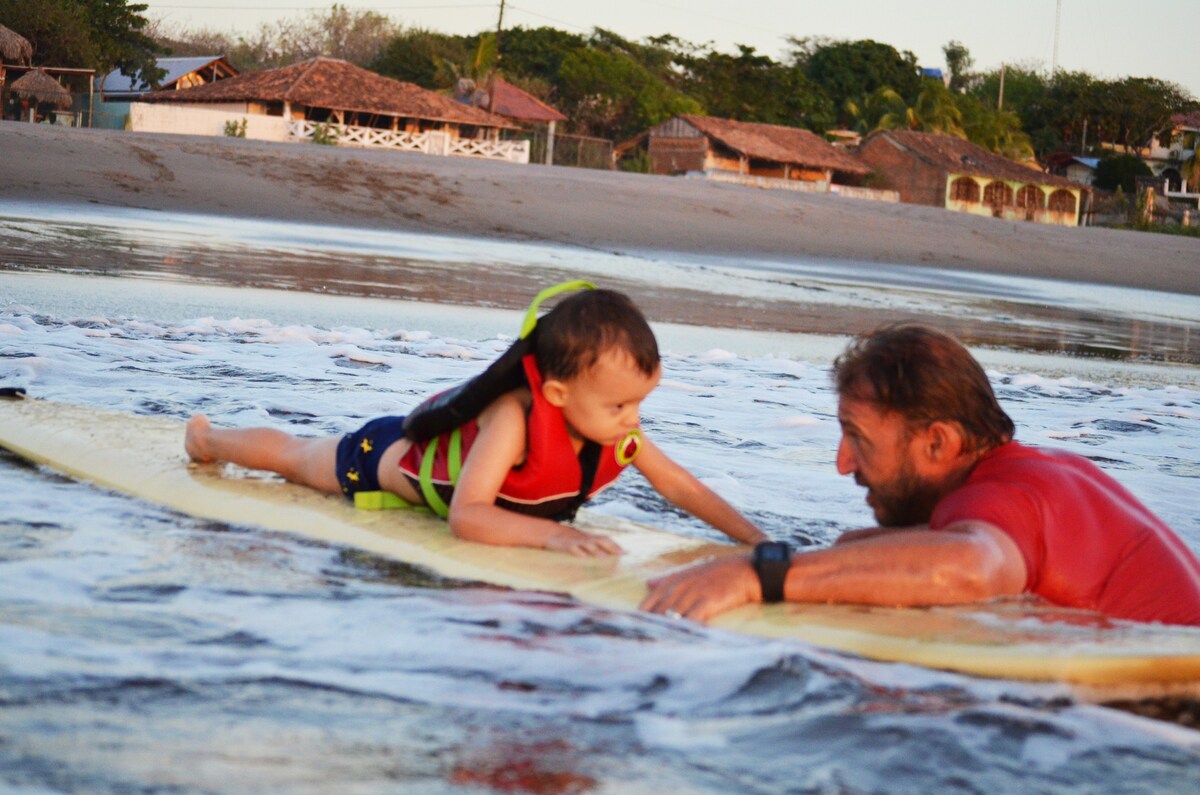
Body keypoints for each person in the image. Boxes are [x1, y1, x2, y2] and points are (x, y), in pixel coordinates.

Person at [642, 324, 1200, 626]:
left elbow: (968, 569)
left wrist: (758, 575)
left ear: (938, 442)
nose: (841, 463)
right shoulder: (1044, 473)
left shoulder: (1003, 498)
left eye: (858, 438)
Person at [186, 287, 766, 557]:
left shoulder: (613, 428)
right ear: (558, 393)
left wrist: (757, 541)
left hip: (423, 474)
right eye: (619, 407)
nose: (632, 422)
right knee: (294, 457)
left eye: (639, 404)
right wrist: (555, 535)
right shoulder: (514, 419)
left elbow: (680, 486)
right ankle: (208, 438)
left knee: (297, 455)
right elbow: (468, 516)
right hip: (377, 458)